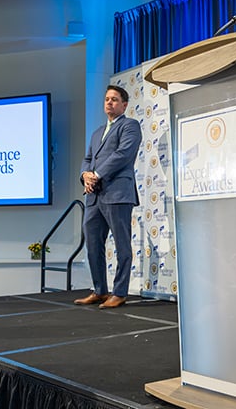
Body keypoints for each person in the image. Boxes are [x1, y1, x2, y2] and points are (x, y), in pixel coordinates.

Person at [74, 85, 142, 309]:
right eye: (106, 99)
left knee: (122, 245)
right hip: (94, 195)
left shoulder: (130, 126)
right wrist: (85, 174)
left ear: (124, 104)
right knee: (93, 244)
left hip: (118, 193)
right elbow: (87, 158)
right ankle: (100, 290)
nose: (109, 103)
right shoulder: (97, 132)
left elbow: (122, 155)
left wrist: (96, 174)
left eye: (114, 99)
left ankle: (120, 292)